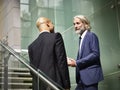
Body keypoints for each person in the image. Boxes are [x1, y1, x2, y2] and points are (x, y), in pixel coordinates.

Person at [28, 17, 71, 90]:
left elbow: (32, 71)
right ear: (48, 24)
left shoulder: (31, 46)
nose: (53, 25)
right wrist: (67, 85)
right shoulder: (56, 37)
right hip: (55, 84)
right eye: (52, 23)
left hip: (39, 86)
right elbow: (61, 62)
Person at [67, 15, 104, 90]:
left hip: (90, 78)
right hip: (81, 78)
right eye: (74, 24)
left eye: (78, 23)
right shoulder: (81, 39)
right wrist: (74, 61)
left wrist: (76, 63)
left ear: (85, 24)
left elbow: (95, 54)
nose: (75, 26)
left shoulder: (91, 36)